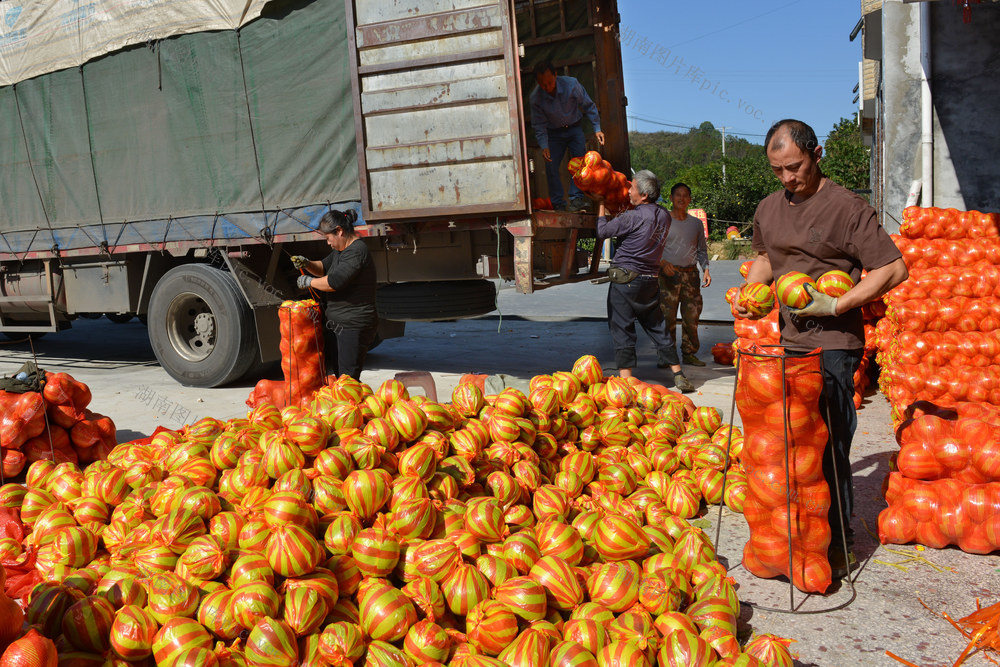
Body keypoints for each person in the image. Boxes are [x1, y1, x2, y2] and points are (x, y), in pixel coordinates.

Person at [736, 119, 908, 579]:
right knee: (791, 447)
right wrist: (752, 295)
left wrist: (838, 303)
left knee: (829, 446)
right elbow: (768, 259)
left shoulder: (846, 207)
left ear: (817, 154)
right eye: (778, 170)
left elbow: (893, 268)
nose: (788, 178)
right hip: (789, 344)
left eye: (794, 167)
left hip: (834, 345)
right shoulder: (769, 208)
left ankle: (838, 545)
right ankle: (799, 538)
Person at [596, 170, 695, 393]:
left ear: (642, 195)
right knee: (658, 326)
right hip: (650, 280)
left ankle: (626, 380)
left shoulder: (633, 216)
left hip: (625, 280)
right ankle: (678, 373)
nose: (628, 191)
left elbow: (602, 231)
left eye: (632, 188)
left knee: (622, 327)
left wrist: (601, 204)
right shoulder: (663, 216)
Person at [291, 209, 378, 381]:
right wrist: (307, 263)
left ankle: (353, 407)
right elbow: (323, 267)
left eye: (328, 238)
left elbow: (334, 282)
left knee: (348, 380)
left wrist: (309, 282)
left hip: (353, 325)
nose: (328, 243)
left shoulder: (357, 251)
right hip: (339, 324)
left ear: (339, 231)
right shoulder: (341, 250)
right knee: (341, 378)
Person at [529, 62, 605, 213]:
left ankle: (576, 199)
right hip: (554, 134)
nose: (547, 87)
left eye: (550, 82)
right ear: (538, 82)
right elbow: (539, 125)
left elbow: (589, 106)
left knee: (580, 163)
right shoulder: (536, 98)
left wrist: (597, 128)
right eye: (543, 84)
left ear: (556, 75)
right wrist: (544, 145)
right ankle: (558, 203)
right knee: (551, 165)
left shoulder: (571, 85)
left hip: (574, 129)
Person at [658, 182, 712, 367]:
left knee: (691, 317)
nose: (681, 198)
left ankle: (689, 353)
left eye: (685, 195)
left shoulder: (696, 224)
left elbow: (701, 250)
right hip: (668, 276)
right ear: (671, 198)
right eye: (677, 195)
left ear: (689, 199)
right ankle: (667, 356)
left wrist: (705, 268)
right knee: (667, 317)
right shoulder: (663, 221)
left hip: (691, 276)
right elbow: (652, 248)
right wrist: (663, 264)